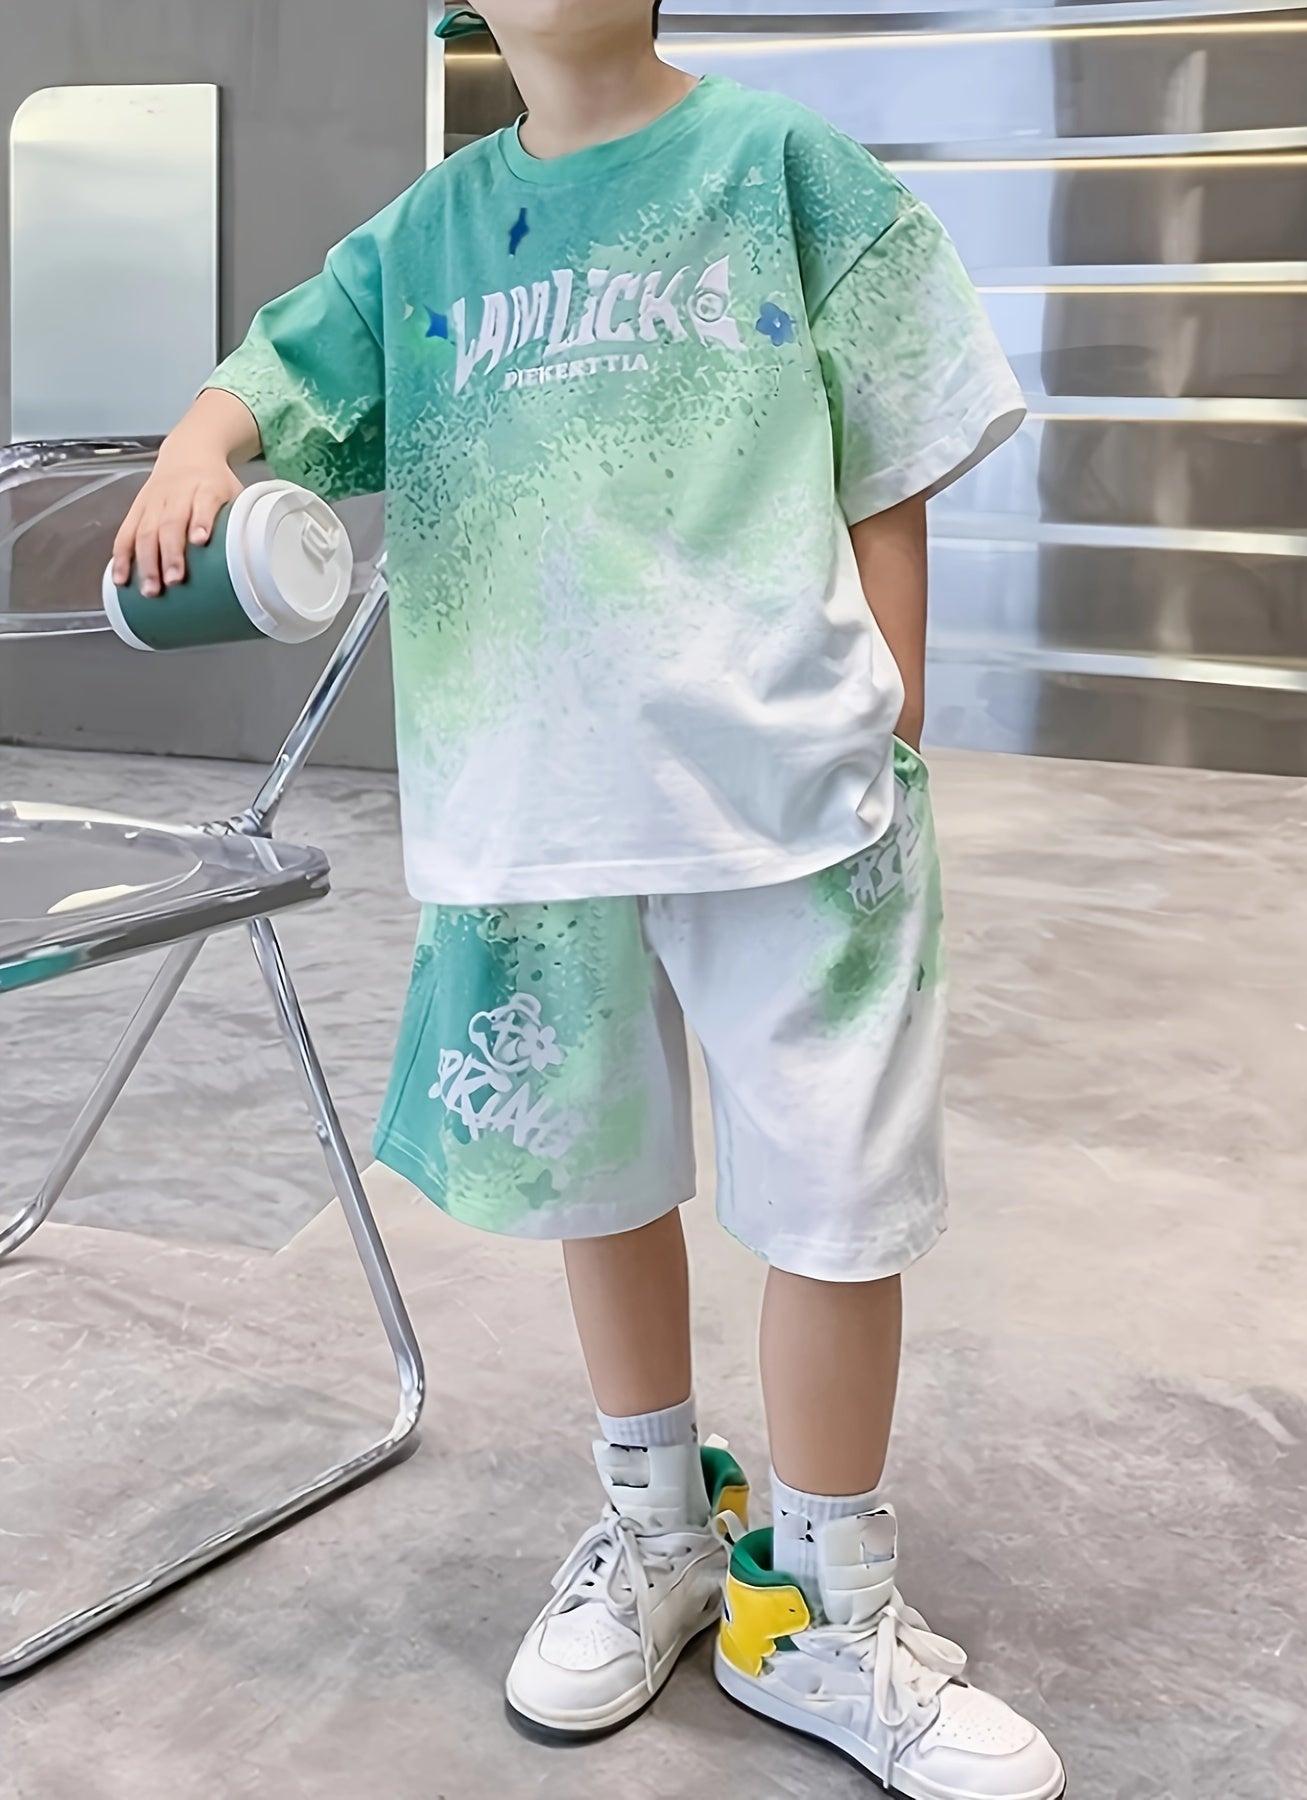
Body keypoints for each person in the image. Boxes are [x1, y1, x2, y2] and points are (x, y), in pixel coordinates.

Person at [111, 4, 1062, 1794]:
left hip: (790, 799)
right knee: (597, 1174)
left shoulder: (782, 171)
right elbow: (283, 368)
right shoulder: (426, 235)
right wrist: (195, 441)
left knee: (836, 1206)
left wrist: (893, 702)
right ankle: (659, 1530)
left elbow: (894, 433)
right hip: (535, 813)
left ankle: (823, 1606)